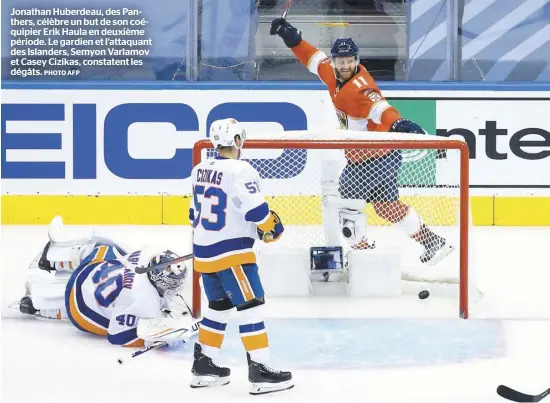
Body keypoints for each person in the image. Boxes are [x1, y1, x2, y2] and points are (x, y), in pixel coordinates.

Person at [270, 19, 454, 265]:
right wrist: (291, 39)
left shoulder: (361, 87)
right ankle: (433, 242)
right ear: (335, 62)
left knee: (346, 209)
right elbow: (313, 59)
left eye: (350, 61)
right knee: (386, 207)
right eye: (341, 62)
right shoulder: (330, 71)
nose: (345, 66)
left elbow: (379, 107)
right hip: (385, 157)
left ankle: (364, 256)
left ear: (357, 61)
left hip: (366, 161)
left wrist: (397, 123)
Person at [189, 118, 293, 395]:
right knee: (252, 307)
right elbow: (258, 214)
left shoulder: (199, 169)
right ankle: (259, 370)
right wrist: (272, 227)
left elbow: (192, 215)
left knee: (218, 307)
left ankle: (204, 365)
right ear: (236, 141)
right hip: (232, 255)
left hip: (204, 255)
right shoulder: (242, 170)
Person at [19, 216, 195, 348]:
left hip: (90, 271)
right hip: (81, 309)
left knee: (104, 248)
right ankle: (37, 305)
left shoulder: (146, 257)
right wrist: (153, 339)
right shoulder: (146, 302)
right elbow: (117, 335)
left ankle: (53, 261)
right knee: (90, 311)